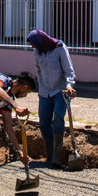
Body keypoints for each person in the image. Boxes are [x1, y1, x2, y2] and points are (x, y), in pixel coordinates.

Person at [26, 29, 76, 167]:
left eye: (33, 44)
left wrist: (70, 85)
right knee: (43, 123)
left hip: (60, 90)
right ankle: (49, 155)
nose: (32, 47)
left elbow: (69, 70)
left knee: (58, 119)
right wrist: (41, 89)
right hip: (45, 92)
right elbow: (39, 71)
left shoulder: (59, 48)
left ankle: (56, 157)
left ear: (41, 41)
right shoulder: (37, 51)